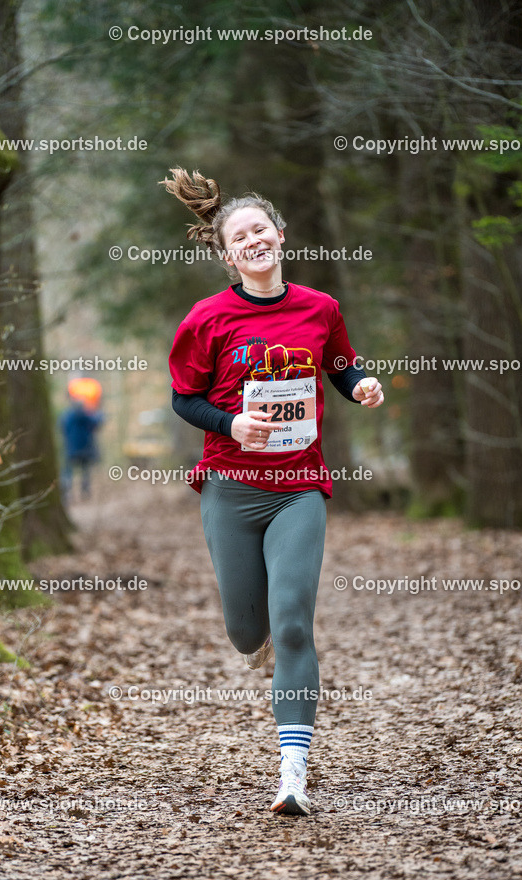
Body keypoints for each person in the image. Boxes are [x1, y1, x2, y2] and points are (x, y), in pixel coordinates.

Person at [163, 168, 384, 816]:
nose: (254, 240)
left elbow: (341, 367)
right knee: (244, 631)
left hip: (298, 488)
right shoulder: (207, 319)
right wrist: (230, 422)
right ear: (227, 254)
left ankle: (292, 773)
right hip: (230, 487)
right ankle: (254, 638)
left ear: (279, 236)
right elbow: (183, 397)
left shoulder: (320, 308)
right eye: (240, 236)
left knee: (291, 625)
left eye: (261, 228)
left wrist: (362, 385)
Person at [59, 378, 104, 501]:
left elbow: (62, 427)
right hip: (84, 449)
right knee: (84, 472)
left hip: (71, 449)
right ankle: (84, 493)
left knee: (70, 472)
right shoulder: (86, 416)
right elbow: (97, 422)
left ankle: (68, 493)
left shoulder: (67, 415)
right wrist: (99, 413)